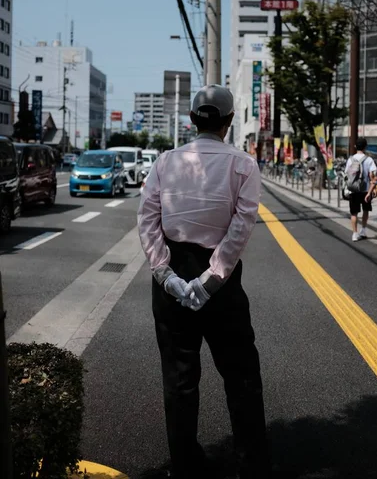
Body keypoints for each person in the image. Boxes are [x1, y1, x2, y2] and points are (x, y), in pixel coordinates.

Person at [138, 85, 267, 479]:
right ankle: (251, 463)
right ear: (229, 122)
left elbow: (147, 219)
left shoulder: (164, 162)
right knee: (241, 373)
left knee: (179, 378)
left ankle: (185, 465)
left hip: (173, 269)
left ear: (192, 121)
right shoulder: (243, 165)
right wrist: (213, 278)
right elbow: (242, 225)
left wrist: (165, 274)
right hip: (222, 279)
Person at [345, 138, 377, 242]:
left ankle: (354, 233)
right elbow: (372, 175)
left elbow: (347, 173)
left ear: (355, 146)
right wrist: (374, 188)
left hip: (353, 189)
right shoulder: (369, 159)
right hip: (366, 190)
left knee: (354, 213)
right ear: (365, 147)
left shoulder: (351, 159)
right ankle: (363, 230)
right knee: (366, 210)